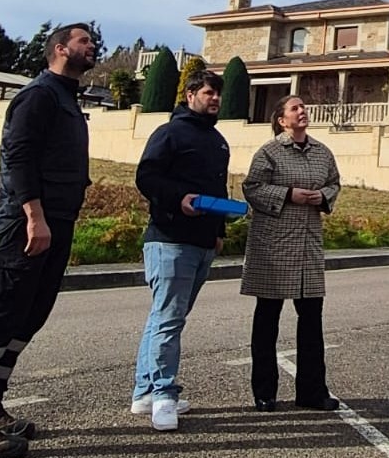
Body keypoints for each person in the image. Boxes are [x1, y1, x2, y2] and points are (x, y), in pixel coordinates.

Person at [0, 23, 96, 458]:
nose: (92, 46)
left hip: (57, 222)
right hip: (30, 223)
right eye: (84, 40)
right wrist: (34, 216)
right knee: (1, 315)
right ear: (60, 48)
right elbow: (18, 158)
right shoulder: (39, 95)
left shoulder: (66, 98)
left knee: (28, 317)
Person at [130, 70, 230, 432]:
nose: (215, 98)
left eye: (218, 93)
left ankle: (144, 392)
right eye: (208, 92)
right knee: (168, 319)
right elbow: (146, 177)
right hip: (169, 238)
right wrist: (178, 199)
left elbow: (217, 188)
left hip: (203, 242)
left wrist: (218, 230)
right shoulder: (169, 132)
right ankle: (163, 395)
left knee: (166, 318)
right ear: (190, 95)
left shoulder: (219, 141)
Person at [241, 95, 341, 412]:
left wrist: (322, 196)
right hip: (274, 247)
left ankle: (312, 392)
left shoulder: (323, 152)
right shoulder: (269, 152)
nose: (302, 111)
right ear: (282, 119)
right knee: (267, 320)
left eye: (303, 107)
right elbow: (252, 187)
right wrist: (288, 194)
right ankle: (264, 392)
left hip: (308, 246)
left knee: (312, 320)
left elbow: (335, 183)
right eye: (295, 108)